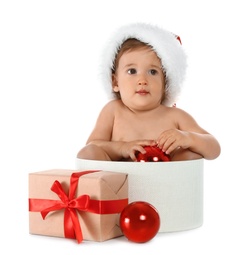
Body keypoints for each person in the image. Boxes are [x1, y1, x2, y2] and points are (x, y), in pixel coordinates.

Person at [77, 23, 221, 161]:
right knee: (88, 153)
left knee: (189, 155)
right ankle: (95, 186)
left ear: (165, 84)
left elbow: (214, 149)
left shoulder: (175, 116)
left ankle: (177, 180)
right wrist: (121, 148)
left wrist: (188, 138)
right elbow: (92, 145)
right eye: (132, 71)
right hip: (117, 183)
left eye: (153, 71)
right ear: (115, 82)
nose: (142, 80)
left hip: (165, 182)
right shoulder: (113, 111)